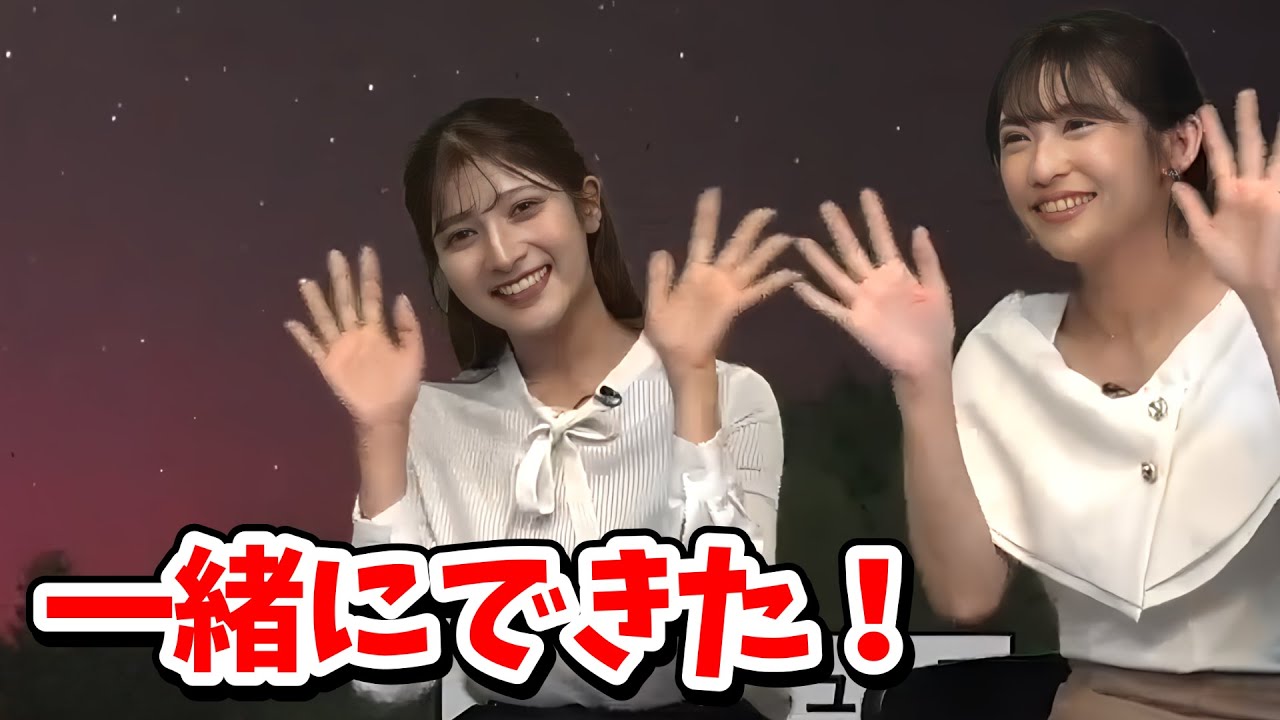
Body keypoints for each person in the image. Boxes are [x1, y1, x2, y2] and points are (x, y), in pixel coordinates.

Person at [790, 10, 1280, 720]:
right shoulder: (1008, 349)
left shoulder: (1261, 307)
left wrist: (1271, 303)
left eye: (1079, 124)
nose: (1043, 167)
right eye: (1016, 138)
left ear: (1178, 143)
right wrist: (923, 380)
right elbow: (966, 595)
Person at [285, 98, 800, 719]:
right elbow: (389, 679)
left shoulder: (732, 394)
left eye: (524, 207)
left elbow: (737, 634)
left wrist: (690, 381)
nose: (503, 254)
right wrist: (382, 431)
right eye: (462, 235)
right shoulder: (426, 424)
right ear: (442, 267)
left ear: (588, 205)